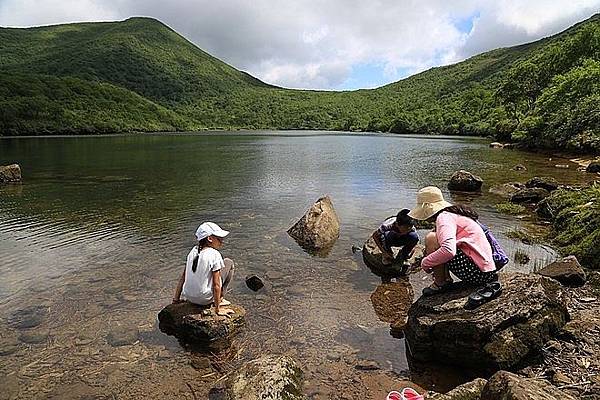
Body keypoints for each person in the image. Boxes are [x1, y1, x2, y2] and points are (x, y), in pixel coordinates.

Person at [408, 186, 497, 296]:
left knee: (431, 238)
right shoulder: (453, 215)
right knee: (438, 238)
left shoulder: (443, 218)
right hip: (485, 271)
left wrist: (425, 262)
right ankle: (446, 279)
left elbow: (448, 251)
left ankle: (440, 283)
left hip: (477, 274)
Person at [172, 222, 235, 316]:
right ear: (210, 239)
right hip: (204, 300)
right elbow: (216, 284)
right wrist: (218, 310)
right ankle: (220, 299)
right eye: (219, 239)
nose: (222, 241)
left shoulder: (192, 252)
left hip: (189, 297)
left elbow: (183, 277)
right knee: (228, 262)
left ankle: (183, 298)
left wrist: (176, 300)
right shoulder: (214, 254)